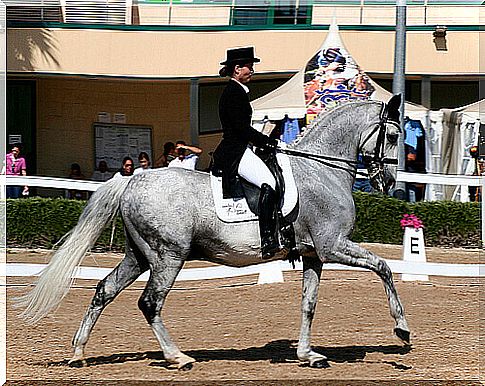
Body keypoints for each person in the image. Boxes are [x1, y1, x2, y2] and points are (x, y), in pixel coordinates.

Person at [212, 46, 280, 259]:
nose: (252, 70)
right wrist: (265, 141)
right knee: (270, 183)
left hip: (240, 147)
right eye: (249, 67)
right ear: (237, 69)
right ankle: (268, 240)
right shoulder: (234, 92)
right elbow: (241, 128)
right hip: (236, 151)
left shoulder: (237, 91)